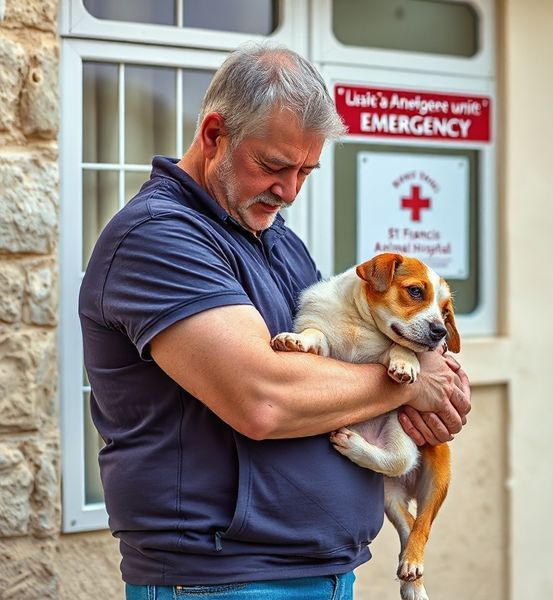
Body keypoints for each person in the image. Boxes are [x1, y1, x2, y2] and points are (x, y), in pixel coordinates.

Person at [78, 42, 470, 600]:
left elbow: (334, 369)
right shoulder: (159, 237)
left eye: (306, 171)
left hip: (327, 570)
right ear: (215, 135)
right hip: (225, 580)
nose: (288, 191)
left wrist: (432, 386)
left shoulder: (277, 240)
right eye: (273, 166)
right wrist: (408, 386)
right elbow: (262, 399)